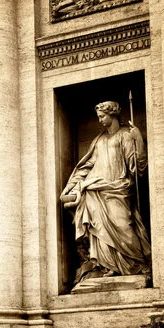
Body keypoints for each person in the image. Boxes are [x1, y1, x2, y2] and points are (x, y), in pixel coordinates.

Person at [61, 100, 151, 284]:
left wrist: (139, 140)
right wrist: (71, 186)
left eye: (102, 116)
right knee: (99, 229)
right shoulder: (99, 140)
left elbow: (137, 166)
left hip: (118, 189)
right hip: (96, 190)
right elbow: (86, 166)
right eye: (99, 117)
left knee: (124, 225)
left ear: (113, 115)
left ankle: (138, 264)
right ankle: (108, 266)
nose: (100, 120)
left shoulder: (126, 135)